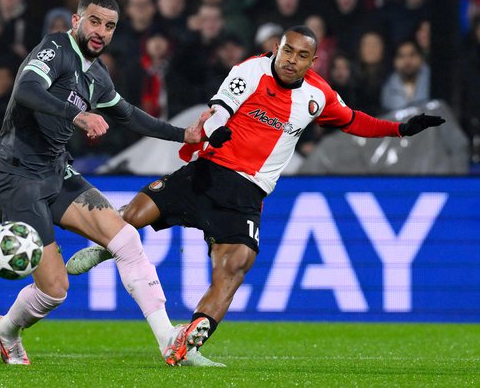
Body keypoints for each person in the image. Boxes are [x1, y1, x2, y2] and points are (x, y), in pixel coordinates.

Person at [66, 25, 445, 367]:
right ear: (276, 49)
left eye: (301, 56)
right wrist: (216, 131)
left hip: (247, 192)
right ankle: (106, 246)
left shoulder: (318, 95)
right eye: (287, 51)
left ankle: (190, 341)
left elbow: (352, 120)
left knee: (234, 268)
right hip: (209, 172)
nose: (291, 61)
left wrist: (400, 129)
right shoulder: (251, 70)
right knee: (134, 213)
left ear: (313, 61)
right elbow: (219, 109)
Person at [0, 0, 209, 367]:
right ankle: (7, 330)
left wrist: (183, 135)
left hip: (56, 172)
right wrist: (78, 116)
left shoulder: (98, 78)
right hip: (15, 175)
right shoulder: (56, 47)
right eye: (94, 21)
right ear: (76, 21)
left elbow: (130, 115)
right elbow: (25, 89)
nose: (100, 31)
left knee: (125, 239)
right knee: (55, 290)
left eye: (109, 26)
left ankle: (170, 340)